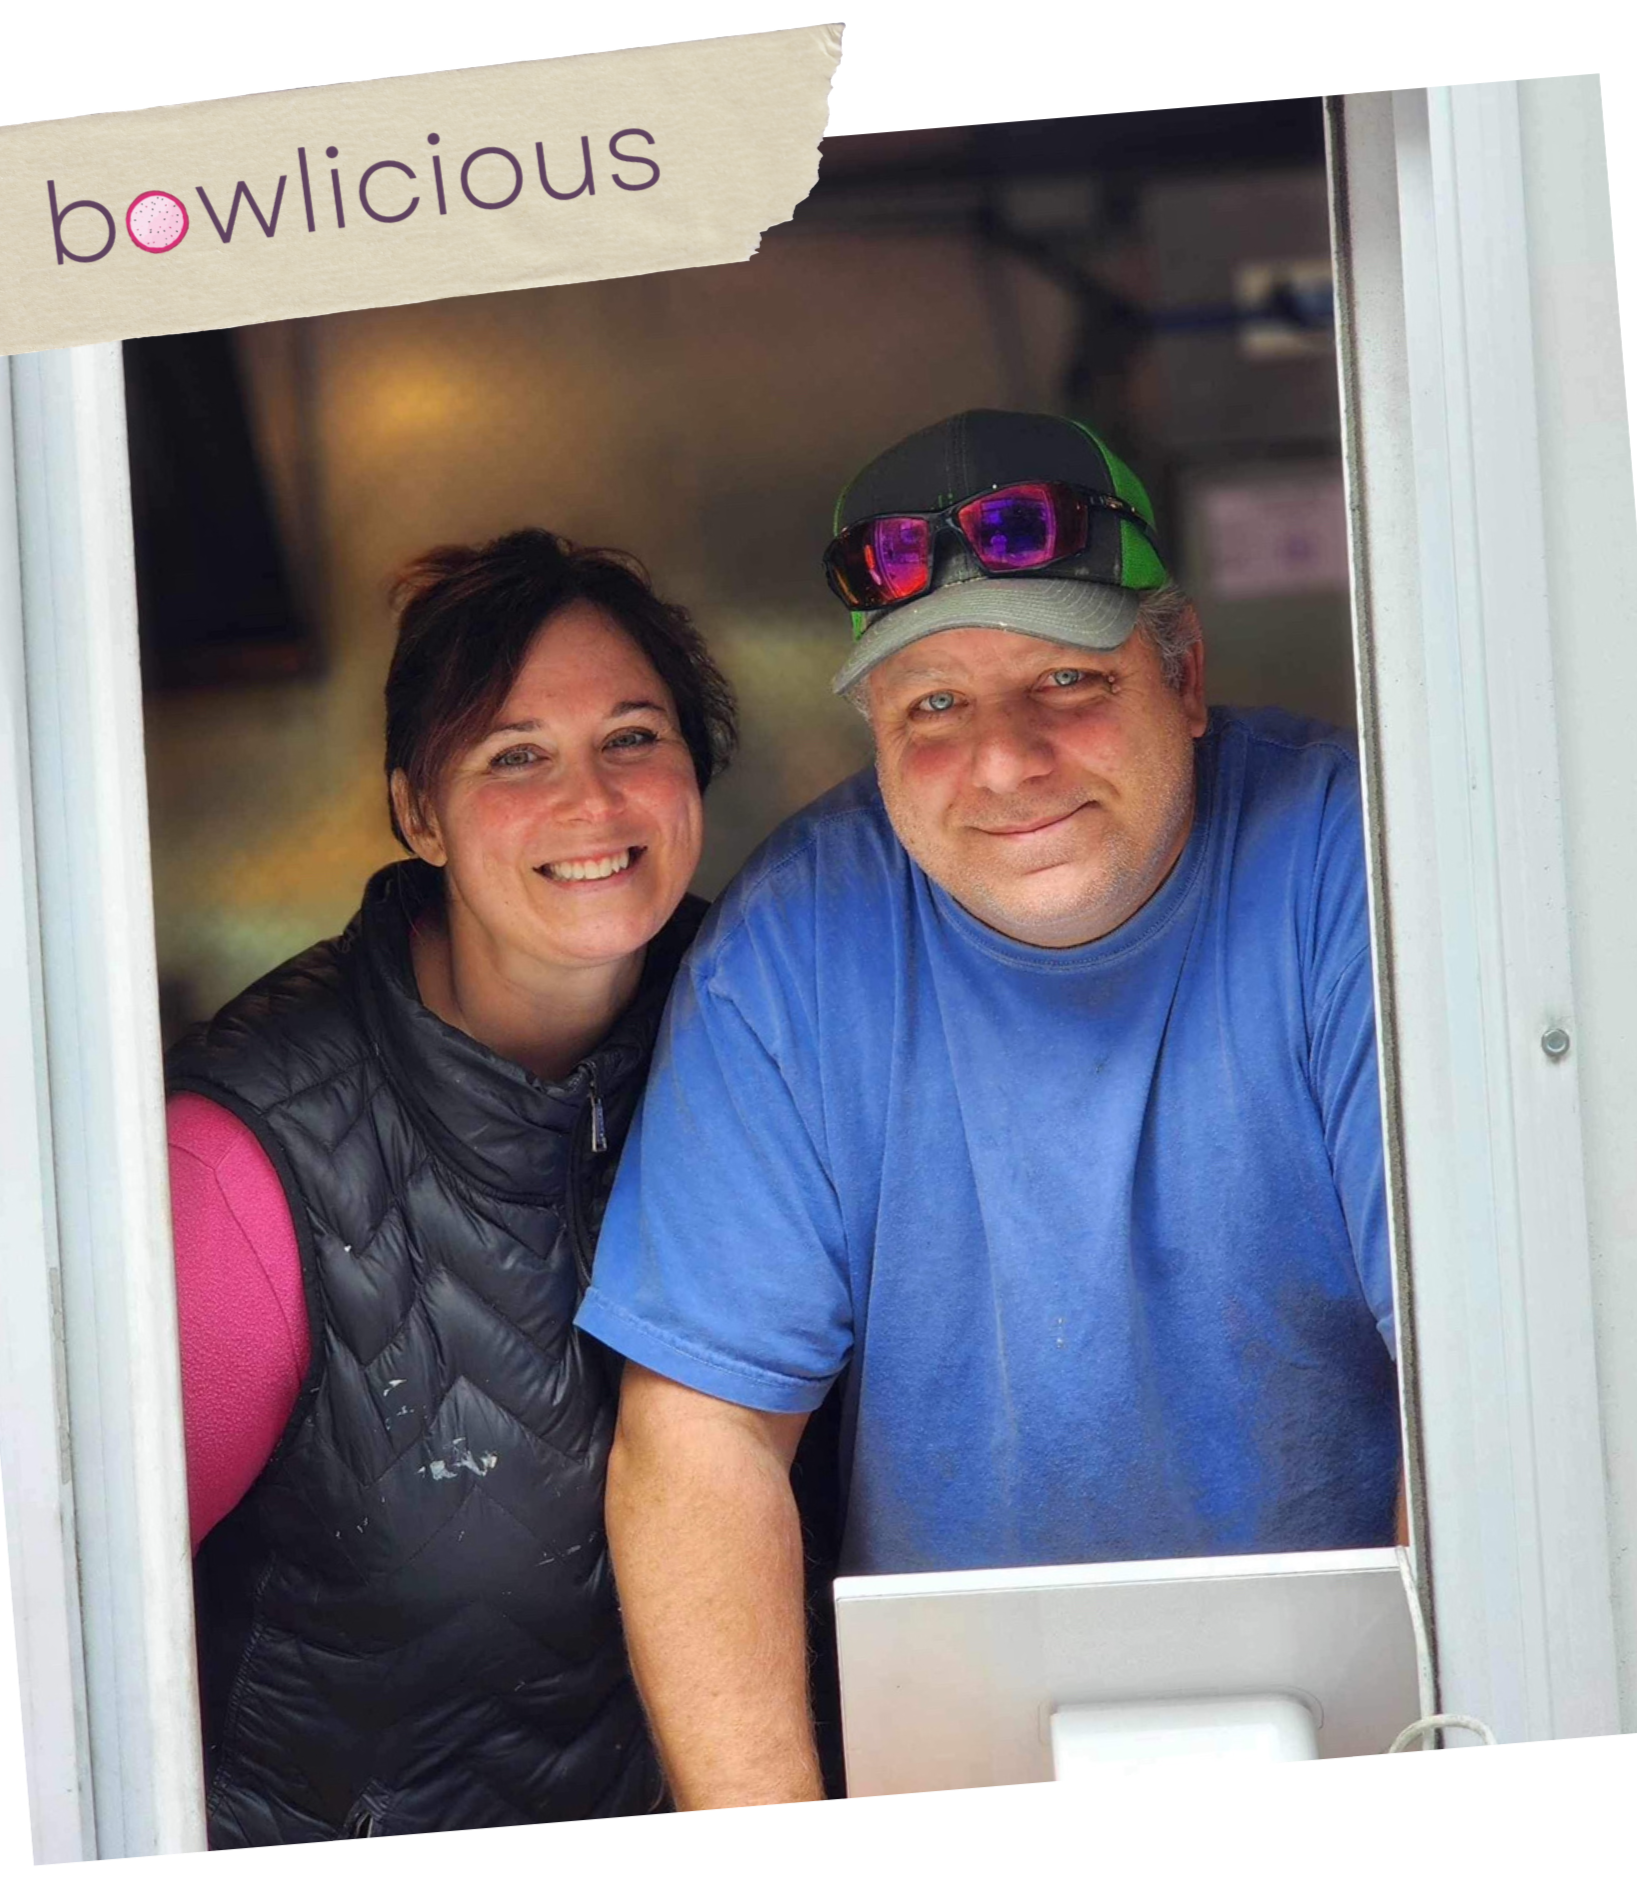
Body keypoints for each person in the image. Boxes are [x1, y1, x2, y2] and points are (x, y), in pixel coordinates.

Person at [575, 410, 1404, 1812]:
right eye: (934, 708)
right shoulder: (797, 947)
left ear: (1184, 674)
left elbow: (1480, 1373)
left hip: (1367, 1757)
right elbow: (701, 1443)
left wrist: (1449, 1807)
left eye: (1067, 680)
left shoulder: (1353, 863)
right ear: (875, 731)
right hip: (964, 1786)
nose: (1007, 762)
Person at [163, 529, 737, 1847]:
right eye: (514, 755)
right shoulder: (252, 1157)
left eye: (633, 736)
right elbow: (44, 1626)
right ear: (418, 812)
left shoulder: (769, 1033)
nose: (592, 800)